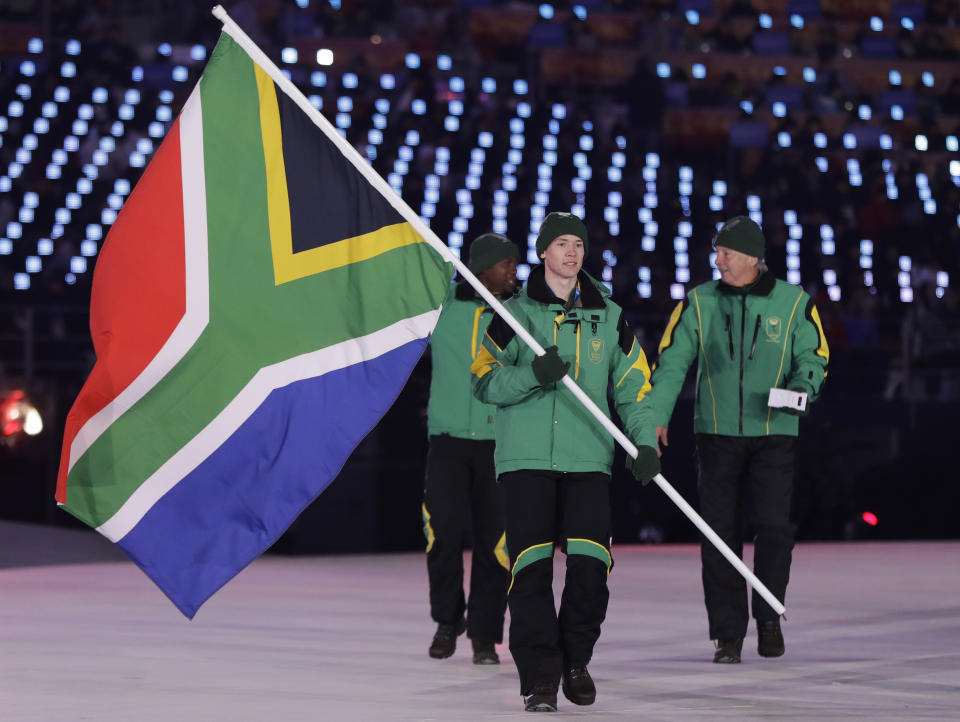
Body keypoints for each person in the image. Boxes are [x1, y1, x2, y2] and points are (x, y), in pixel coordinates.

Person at [471, 212, 660, 711]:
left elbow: (635, 390)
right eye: (561, 244)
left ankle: (576, 660)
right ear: (542, 253)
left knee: (591, 570)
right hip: (526, 459)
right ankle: (540, 677)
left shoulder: (610, 317)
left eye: (578, 243)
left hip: (588, 459)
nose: (572, 252)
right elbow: (485, 381)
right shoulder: (512, 314)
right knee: (530, 571)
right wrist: (533, 373)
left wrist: (644, 445)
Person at [646, 216, 829, 664]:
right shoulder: (699, 302)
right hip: (716, 433)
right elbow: (671, 362)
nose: (718, 260)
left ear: (752, 257)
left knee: (773, 528)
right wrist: (655, 415)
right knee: (719, 536)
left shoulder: (793, 303)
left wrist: (803, 386)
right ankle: (727, 634)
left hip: (774, 432)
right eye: (717, 252)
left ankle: (768, 620)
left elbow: (815, 355)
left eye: (726, 253)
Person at [422, 232, 519, 664]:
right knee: (440, 535)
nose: (514, 272)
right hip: (446, 440)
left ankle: (484, 634)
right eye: (506, 265)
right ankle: (447, 620)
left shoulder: (519, 313)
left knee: (495, 543)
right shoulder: (442, 306)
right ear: (482, 269)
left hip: (499, 443)